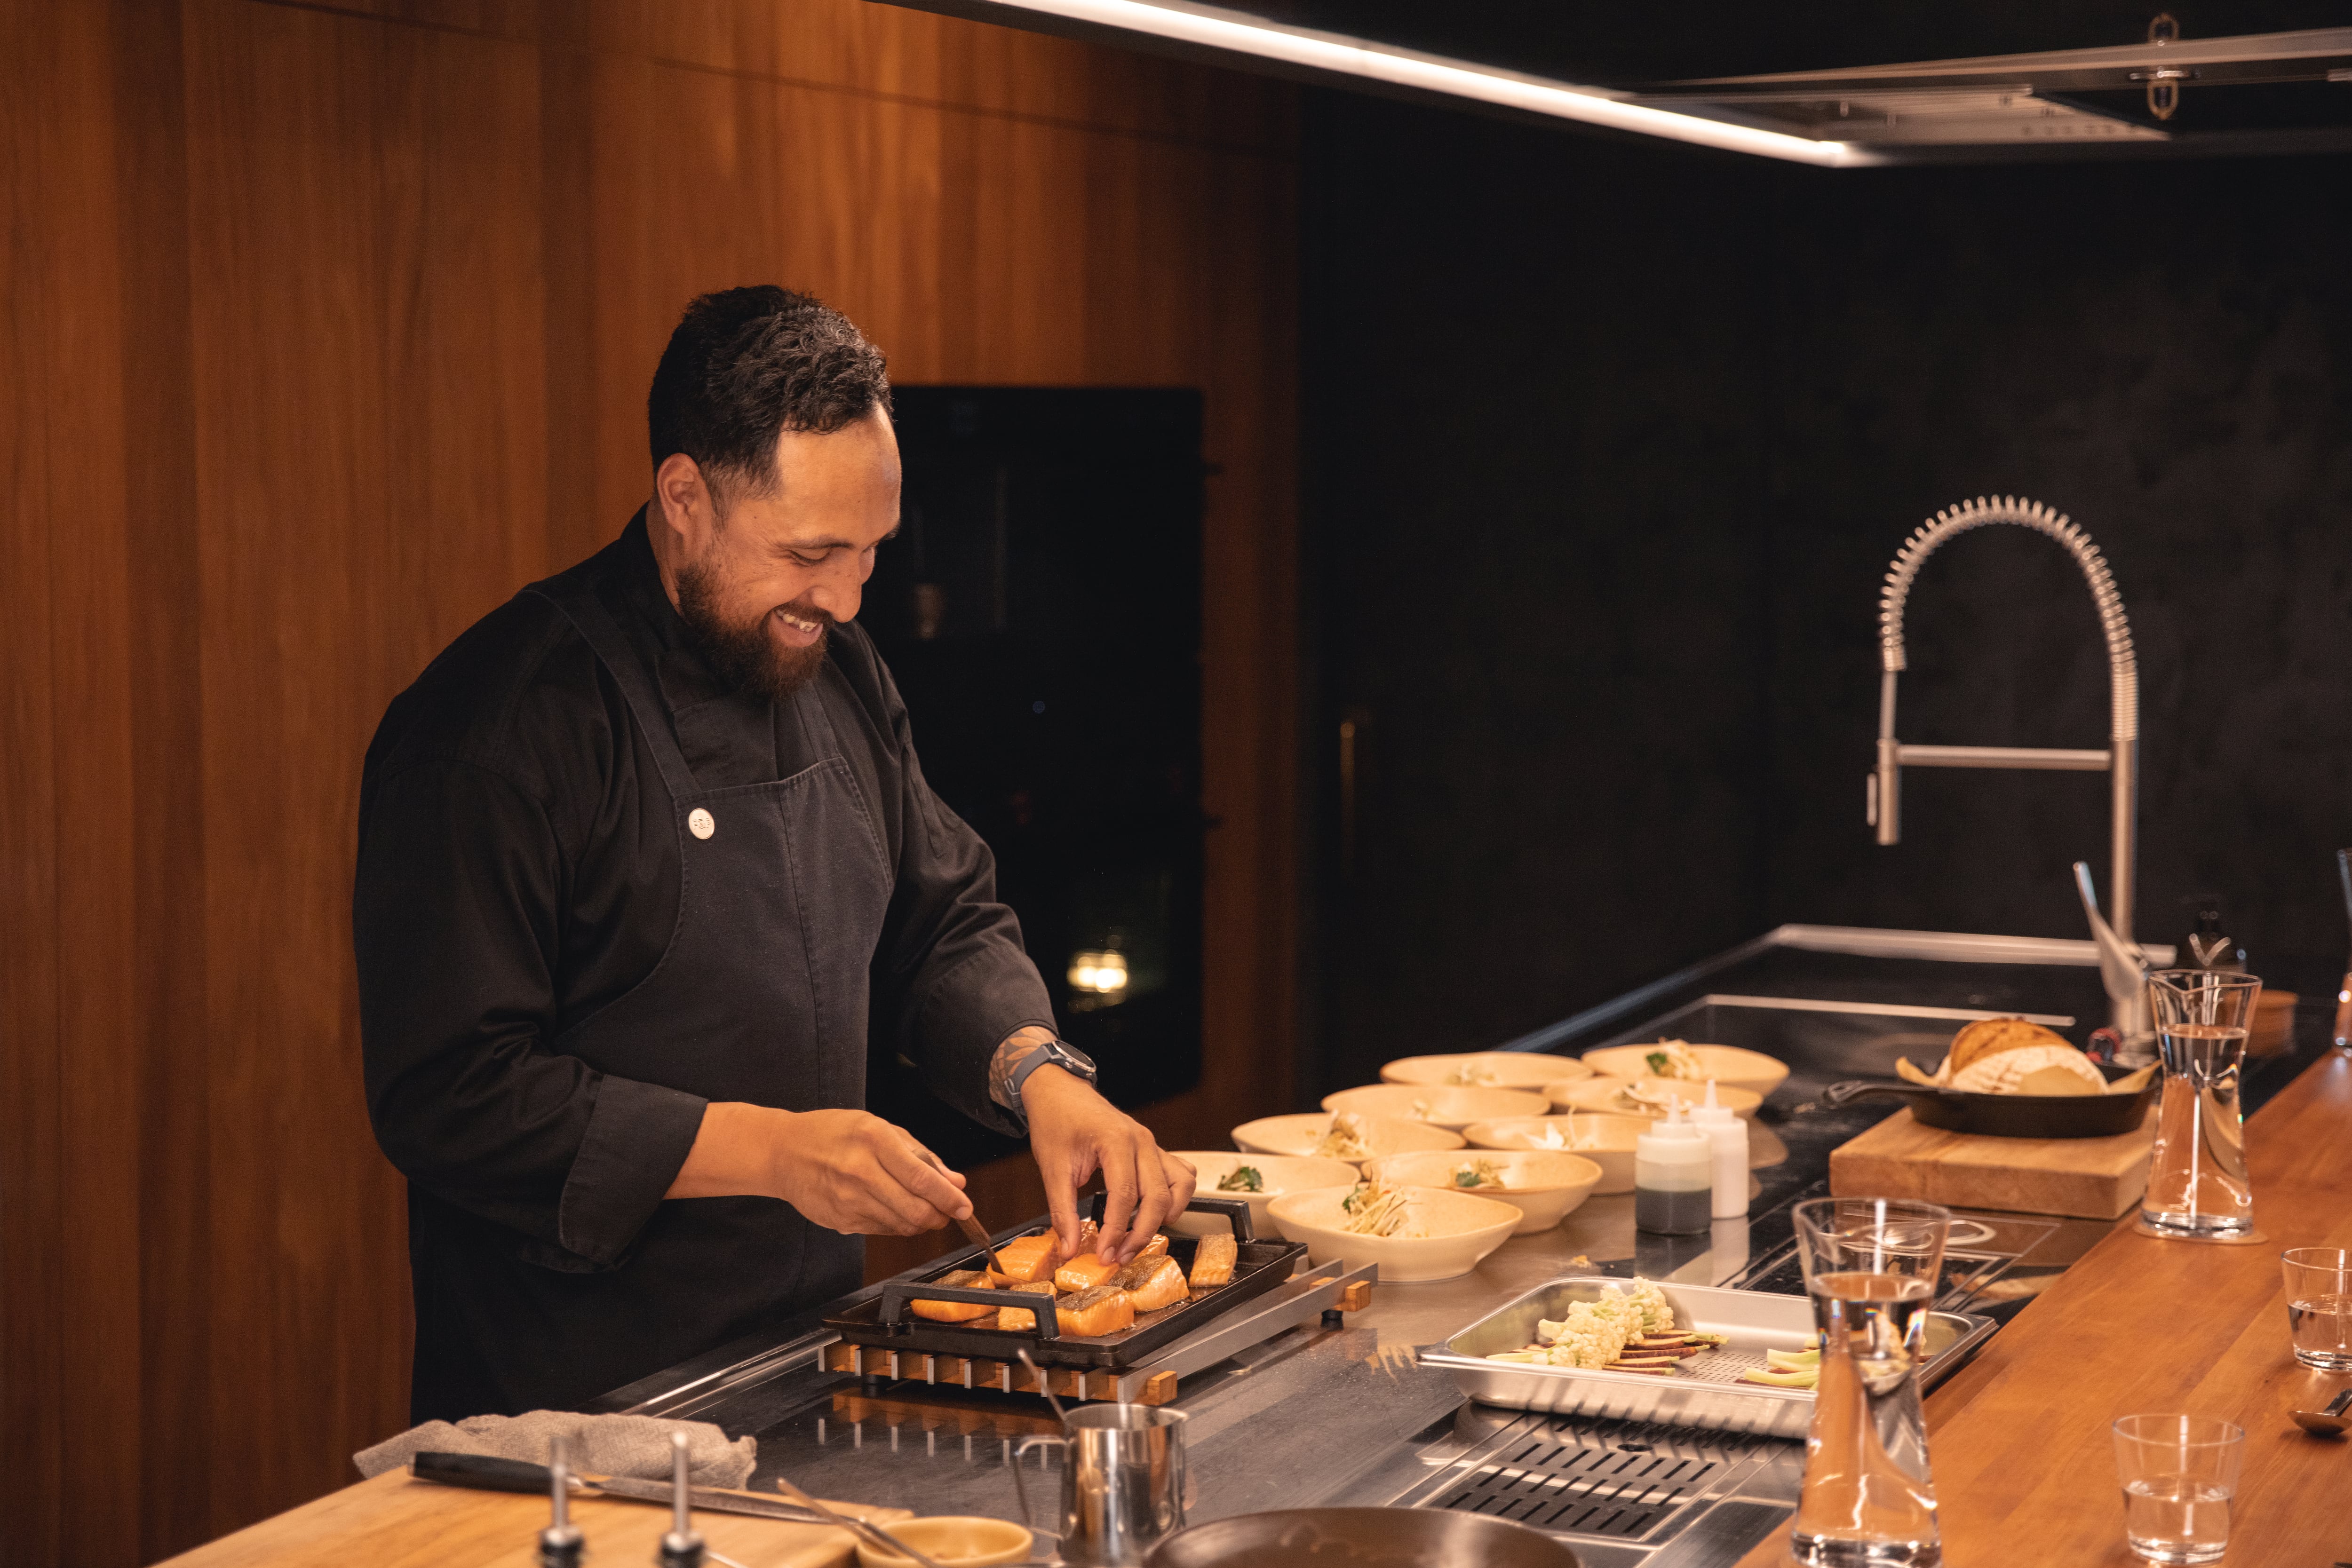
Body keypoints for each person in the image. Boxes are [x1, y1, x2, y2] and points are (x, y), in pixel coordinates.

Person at [354, 286, 1194, 1421]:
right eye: (810, 552)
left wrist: (1035, 1072)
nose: (846, 599)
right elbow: (450, 1091)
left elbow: (939, 920)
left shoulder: (836, 670)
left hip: (809, 1364)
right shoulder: (494, 730)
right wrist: (771, 1151)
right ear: (685, 497)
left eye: (871, 553)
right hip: (574, 1408)